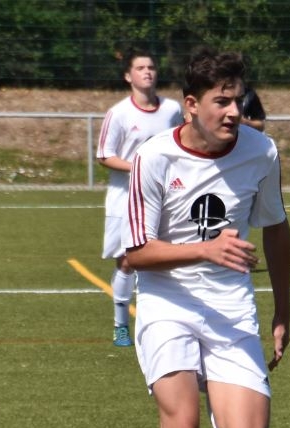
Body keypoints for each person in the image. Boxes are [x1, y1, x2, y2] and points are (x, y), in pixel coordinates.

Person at [110, 47, 290, 428]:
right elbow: (134, 255)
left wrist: (283, 309)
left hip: (231, 309)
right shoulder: (154, 157)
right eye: (222, 101)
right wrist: (205, 251)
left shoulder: (261, 151)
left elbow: (276, 227)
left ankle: (218, 393)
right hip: (167, 304)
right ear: (191, 105)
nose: (234, 111)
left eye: (238, 100)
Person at [96, 48, 184, 347]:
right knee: (126, 261)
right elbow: (104, 155)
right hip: (125, 198)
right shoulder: (119, 113)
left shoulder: (172, 109)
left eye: (151, 67)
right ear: (128, 76)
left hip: (165, 196)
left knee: (166, 259)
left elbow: (180, 144)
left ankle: (165, 323)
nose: (147, 72)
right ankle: (120, 325)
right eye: (140, 68)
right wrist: (139, 167)